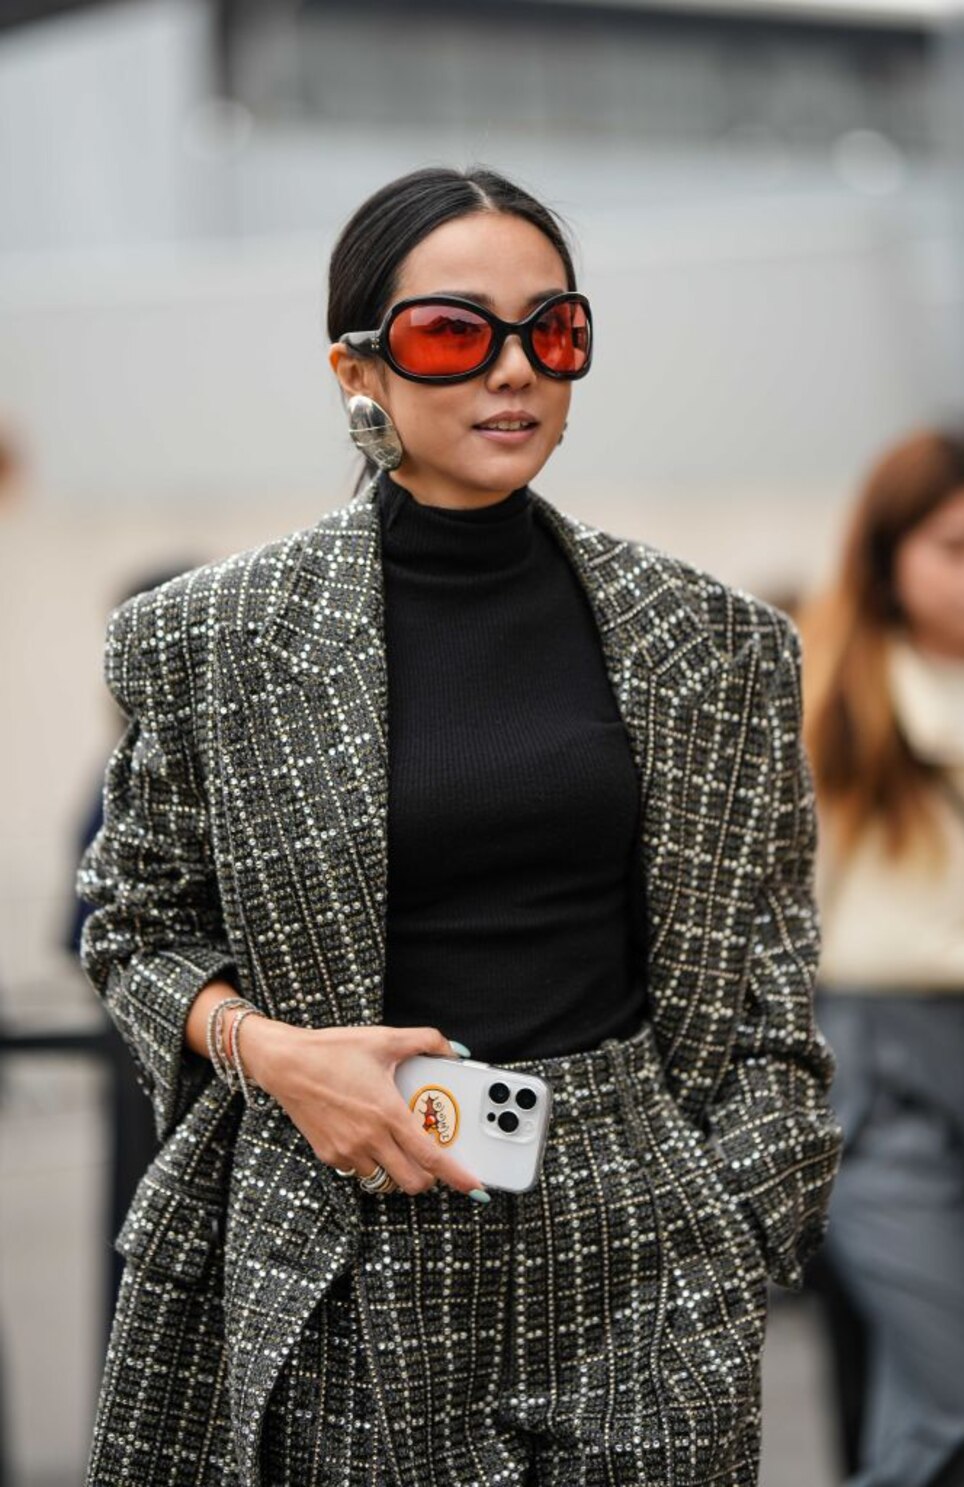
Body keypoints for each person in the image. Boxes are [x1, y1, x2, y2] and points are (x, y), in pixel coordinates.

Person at [77, 166, 840, 1487]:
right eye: (453, 331)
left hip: (640, 1240)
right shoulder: (209, 635)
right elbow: (133, 924)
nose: (514, 371)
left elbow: (772, 973)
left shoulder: (719, 640)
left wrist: (736, 1219)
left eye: (554, 331)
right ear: (357, 365)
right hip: (337, 1227)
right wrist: (274, 1054)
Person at [799, 425, 964, 1487]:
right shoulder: (827, 699)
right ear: (888, 555)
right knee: (958, 1391)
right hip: (877, 1066)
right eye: (954, 545)